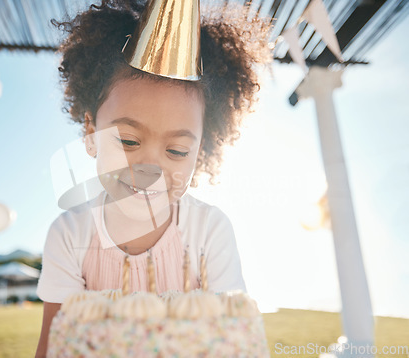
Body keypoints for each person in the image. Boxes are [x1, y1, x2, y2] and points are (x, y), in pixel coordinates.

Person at [35, 0, 271, 356]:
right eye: (128, 141)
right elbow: (54, 347)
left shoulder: (209, 232)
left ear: (201, 150)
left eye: (176, 151)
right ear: (90, 129)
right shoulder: (70, 236)